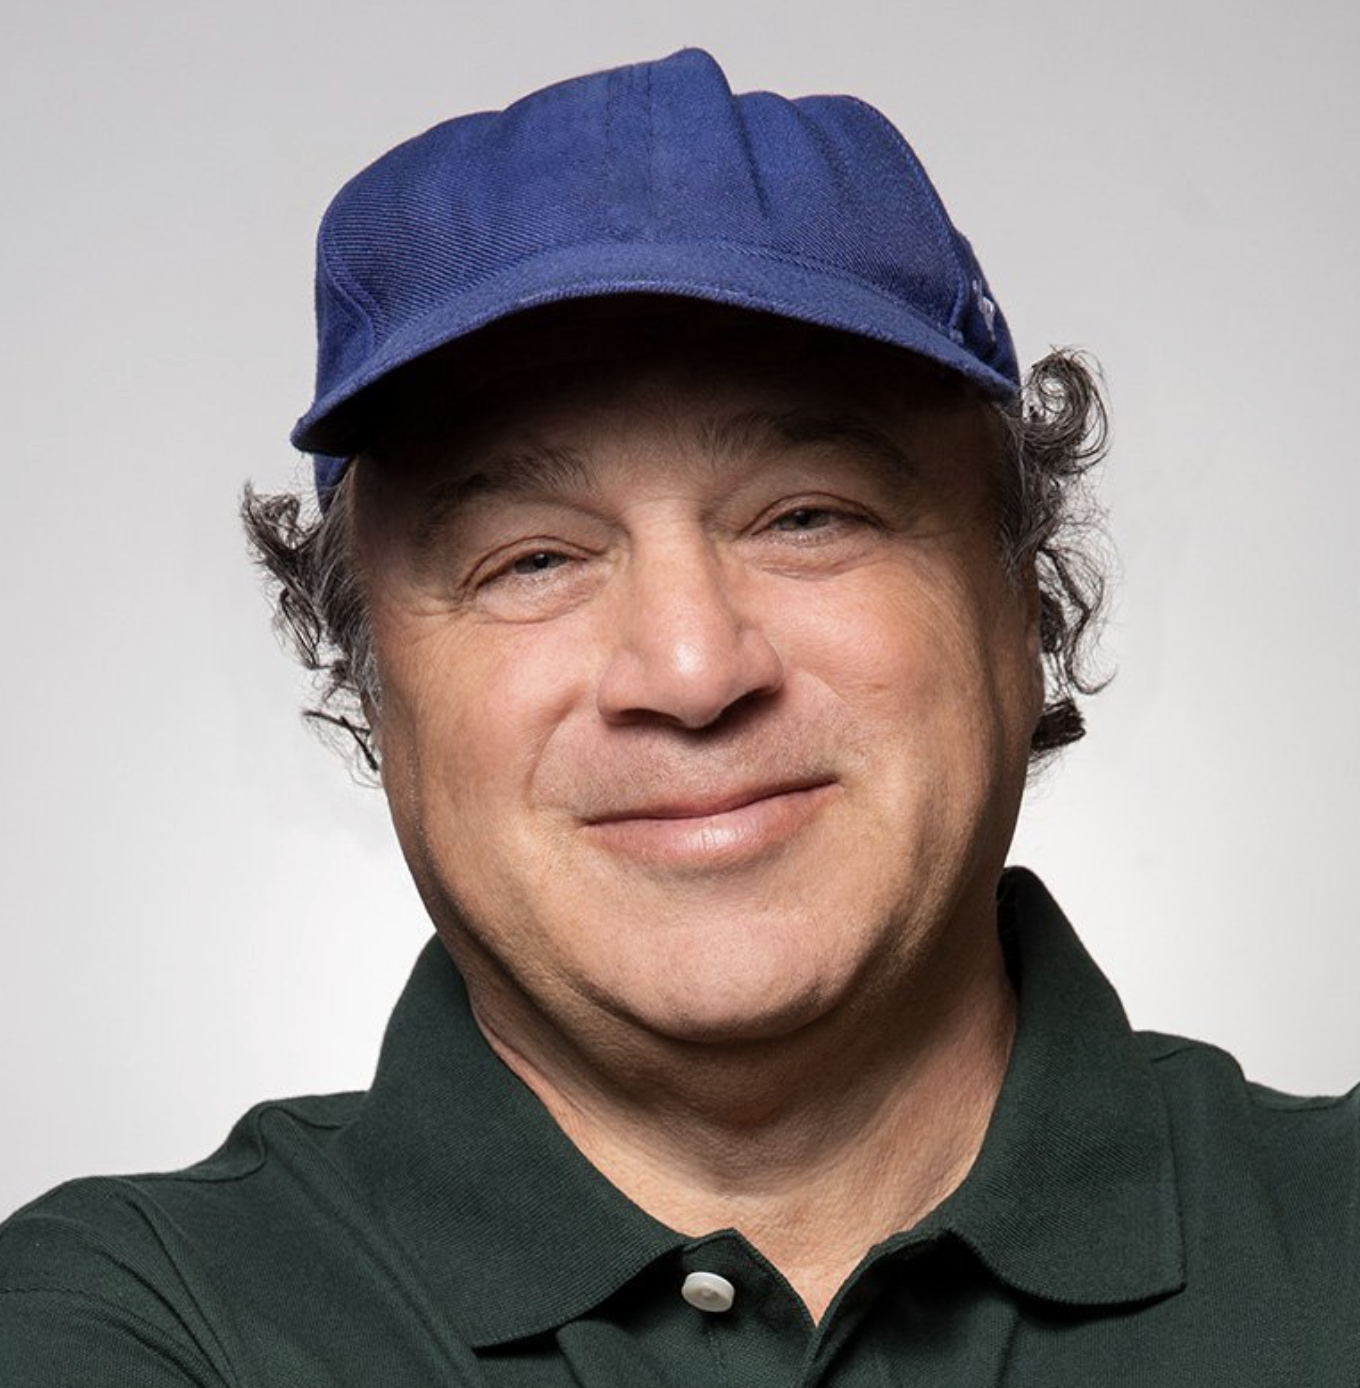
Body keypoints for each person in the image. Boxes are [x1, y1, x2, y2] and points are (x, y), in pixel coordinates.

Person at [1, 47, 1354, 1387]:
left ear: (1026, 599)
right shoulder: (137, 1324)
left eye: (808, 516)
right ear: (368, 679)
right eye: (531, 558)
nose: (694, 668)